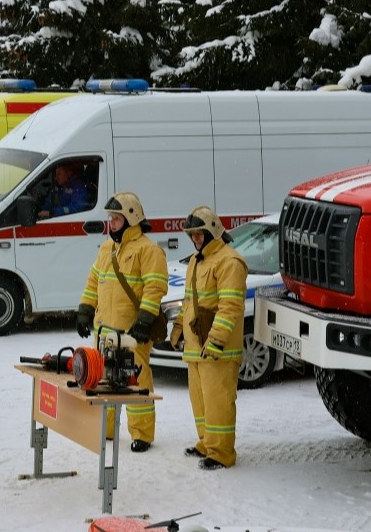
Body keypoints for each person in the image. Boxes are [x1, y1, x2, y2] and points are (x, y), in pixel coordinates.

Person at [75, 192, 168, 452]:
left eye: (116, 218)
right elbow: (94, 281)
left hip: (131, 332)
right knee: (103, 379)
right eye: (110, 218)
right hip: (105, 329)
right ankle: (105, 429)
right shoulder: (107, 249)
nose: (111, 223)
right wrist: (85, 309)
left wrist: (144, 320)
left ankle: (142, 434)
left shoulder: (148, 250)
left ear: (131, 218)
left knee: (136, 382)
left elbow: (155, 288)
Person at [170, 206, 248, 470]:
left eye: (199, 234)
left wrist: (216, 339)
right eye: (191, 235)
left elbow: (231, 306)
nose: (195, 239)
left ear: (212, 231)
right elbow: (189, 300)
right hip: (196, 347)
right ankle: (207, 443)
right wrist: (179, 327)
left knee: (218, 402)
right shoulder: (196, 260)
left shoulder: (230, 262)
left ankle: (221, 453)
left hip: (219, 349)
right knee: (201, 401)